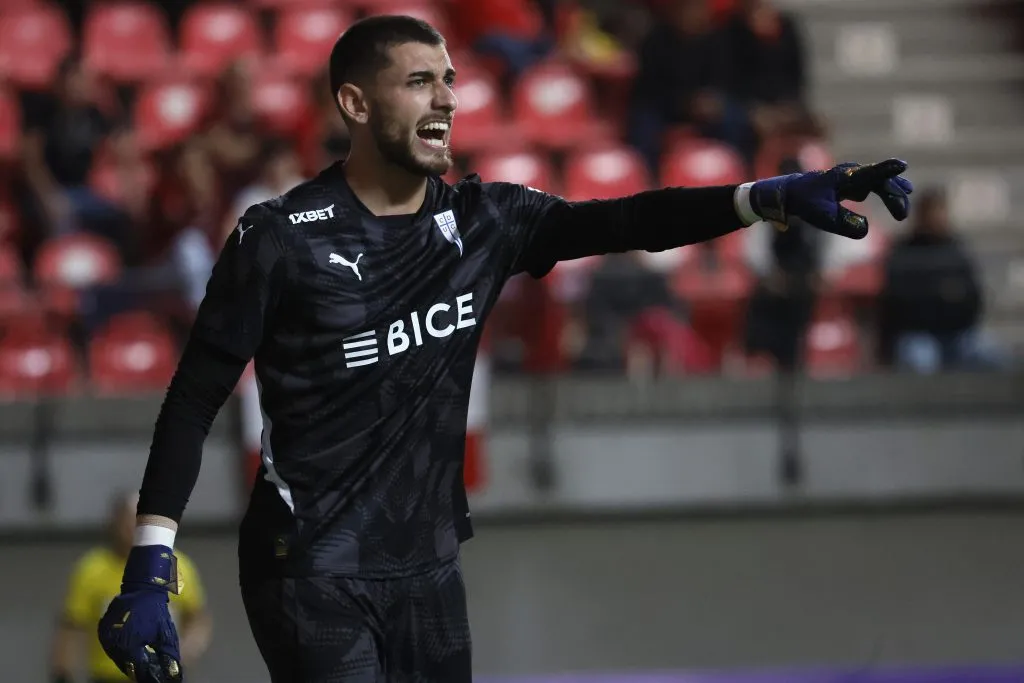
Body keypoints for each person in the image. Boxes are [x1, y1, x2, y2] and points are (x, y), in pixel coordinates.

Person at [96, 14, 912, 683]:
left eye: (450, 78)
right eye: (419, 79)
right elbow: (195, 396)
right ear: (353, 102)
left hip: (430, 565)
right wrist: (151, 560)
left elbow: (626, 220)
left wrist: (760, 197)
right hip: (309, 566)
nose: (445, 96)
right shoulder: (279, 238)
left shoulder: (488, 222)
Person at [51, 492, 211, 683]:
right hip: (109, 676)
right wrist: (62, 671)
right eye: (128, 522)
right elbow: (71, 627)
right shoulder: (91, 570)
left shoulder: (172, 566)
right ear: (115, 523)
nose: (133, 529)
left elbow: (197, 618)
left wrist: (185, 652)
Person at [878, 188, 1008, 373]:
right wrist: (940, 294)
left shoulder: (957, 251)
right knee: (919, 361)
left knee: (992, 356)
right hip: (919, 335)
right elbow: (898, 300)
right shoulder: (903, 253)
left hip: (959, 334)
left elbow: (973, 295)